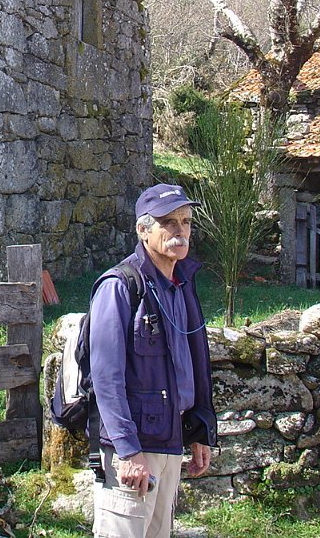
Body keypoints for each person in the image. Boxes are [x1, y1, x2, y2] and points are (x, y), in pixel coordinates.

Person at [88, 183, 216, 538]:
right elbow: (106, 378)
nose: (180, 230)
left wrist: (199, 430)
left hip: (170, 441)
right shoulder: (119, 286)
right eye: (168, 222)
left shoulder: (183, 284)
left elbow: (193, 367)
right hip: (134, 450)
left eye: (185, 221)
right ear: (143, 231)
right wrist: (129, 452)